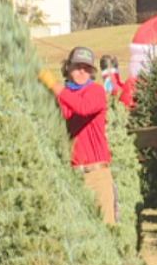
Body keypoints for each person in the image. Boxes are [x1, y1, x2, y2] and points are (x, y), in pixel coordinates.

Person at [38, 46, 118, 225]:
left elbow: (83, 108)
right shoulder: (62, 96)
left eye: (87, 68)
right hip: (71, 178)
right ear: (68, 67)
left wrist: (54, 86)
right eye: (77, 66)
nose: (82, 71)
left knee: (105, 230)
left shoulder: (96, 91)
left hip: (96, 176)